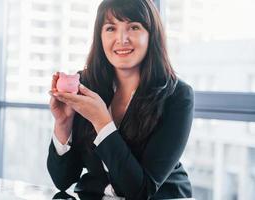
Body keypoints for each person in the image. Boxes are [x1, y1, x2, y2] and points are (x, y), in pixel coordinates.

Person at [47, 0, 194, 199]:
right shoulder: (87, 85)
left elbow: (141, 191)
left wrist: (102, 122)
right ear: (100, 37)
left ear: (152, 35)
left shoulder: (177, 96)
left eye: (133, 27)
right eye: (110, 28)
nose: (121, 39)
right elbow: (63, 180)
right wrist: (63, 123)